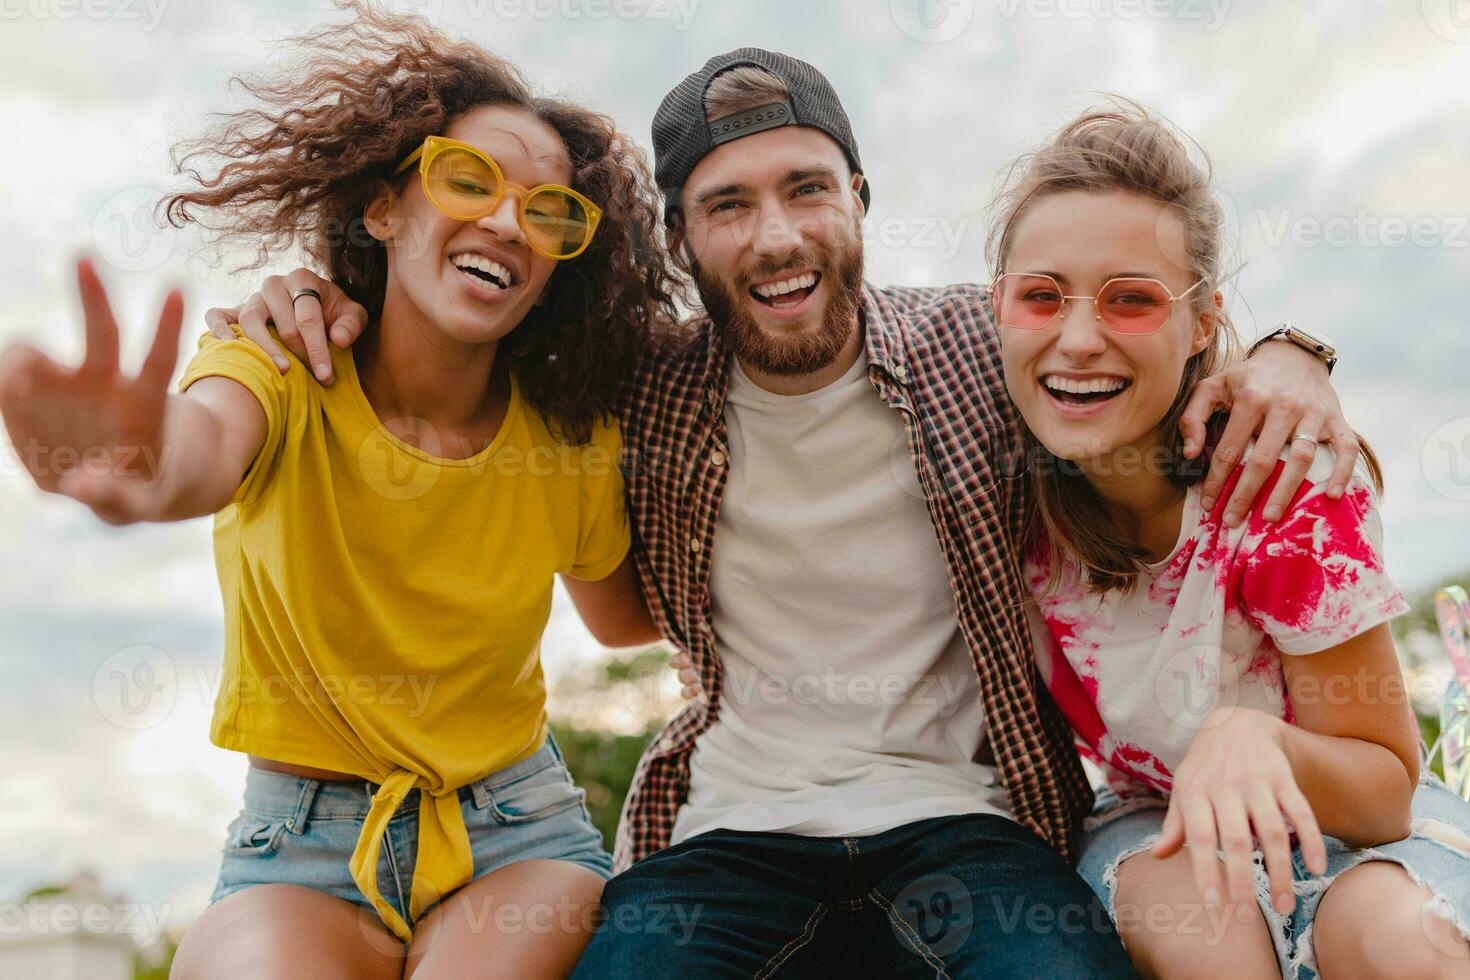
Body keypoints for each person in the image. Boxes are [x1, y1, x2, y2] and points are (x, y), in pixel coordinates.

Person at [210, 49, 1356, 977]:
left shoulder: (983, 343)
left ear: (859, 198)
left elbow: (1125, 334)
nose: (776, 235)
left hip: (970, 823)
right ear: (676, 241)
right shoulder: (635, 391)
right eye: (726, 205)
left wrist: (1292, 353)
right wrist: (312, 293)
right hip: (726, 838)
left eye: (808, 187)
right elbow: (466, 338)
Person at [0, 7, 680, 978]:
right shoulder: (275, 363)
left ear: (556, 272)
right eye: (467, 178)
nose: (504, 220)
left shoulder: (568, 441)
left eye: (548, 212)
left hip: (517, 834)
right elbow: (199, 451)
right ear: (383, 206)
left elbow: (626, 618)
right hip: (298, 850)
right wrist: (134, 474)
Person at [989, 101, 1470, 979]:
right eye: (1041, 296)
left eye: (1132, 299)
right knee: (1203, 935)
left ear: (1203, 323)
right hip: (1155, 819)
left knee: (1404, 943)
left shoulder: (1279, 483)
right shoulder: (991, 486)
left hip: (1339, 817)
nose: (1079, 338)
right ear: (1000, 306)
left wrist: (1264, 743)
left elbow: (1385, 788)